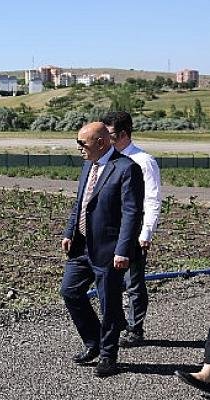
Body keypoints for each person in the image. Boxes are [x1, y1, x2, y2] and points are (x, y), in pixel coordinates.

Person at [60, 122, 144, 377]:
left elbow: (131, 213)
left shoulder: (127, 168)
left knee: (109, 304)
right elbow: (81, 203)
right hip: (82, 245)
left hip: (109, 249)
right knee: (70, 291)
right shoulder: (89, 165)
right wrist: (69, 231)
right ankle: (93, 342)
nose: (79, 149)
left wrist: (123, 250)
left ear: (101, 142)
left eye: (82, 144)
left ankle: (109, 355)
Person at [102, 111, 162, 348]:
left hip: (134, 232)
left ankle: (135, 329)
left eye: (110, 134)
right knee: (112, 281)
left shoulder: (143, 161)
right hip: (111, 231)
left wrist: (146, 232)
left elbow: (153, 199)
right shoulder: (109, 159)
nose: (106, 139)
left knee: (133, 282)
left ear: (124, 134)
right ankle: (117, 324)